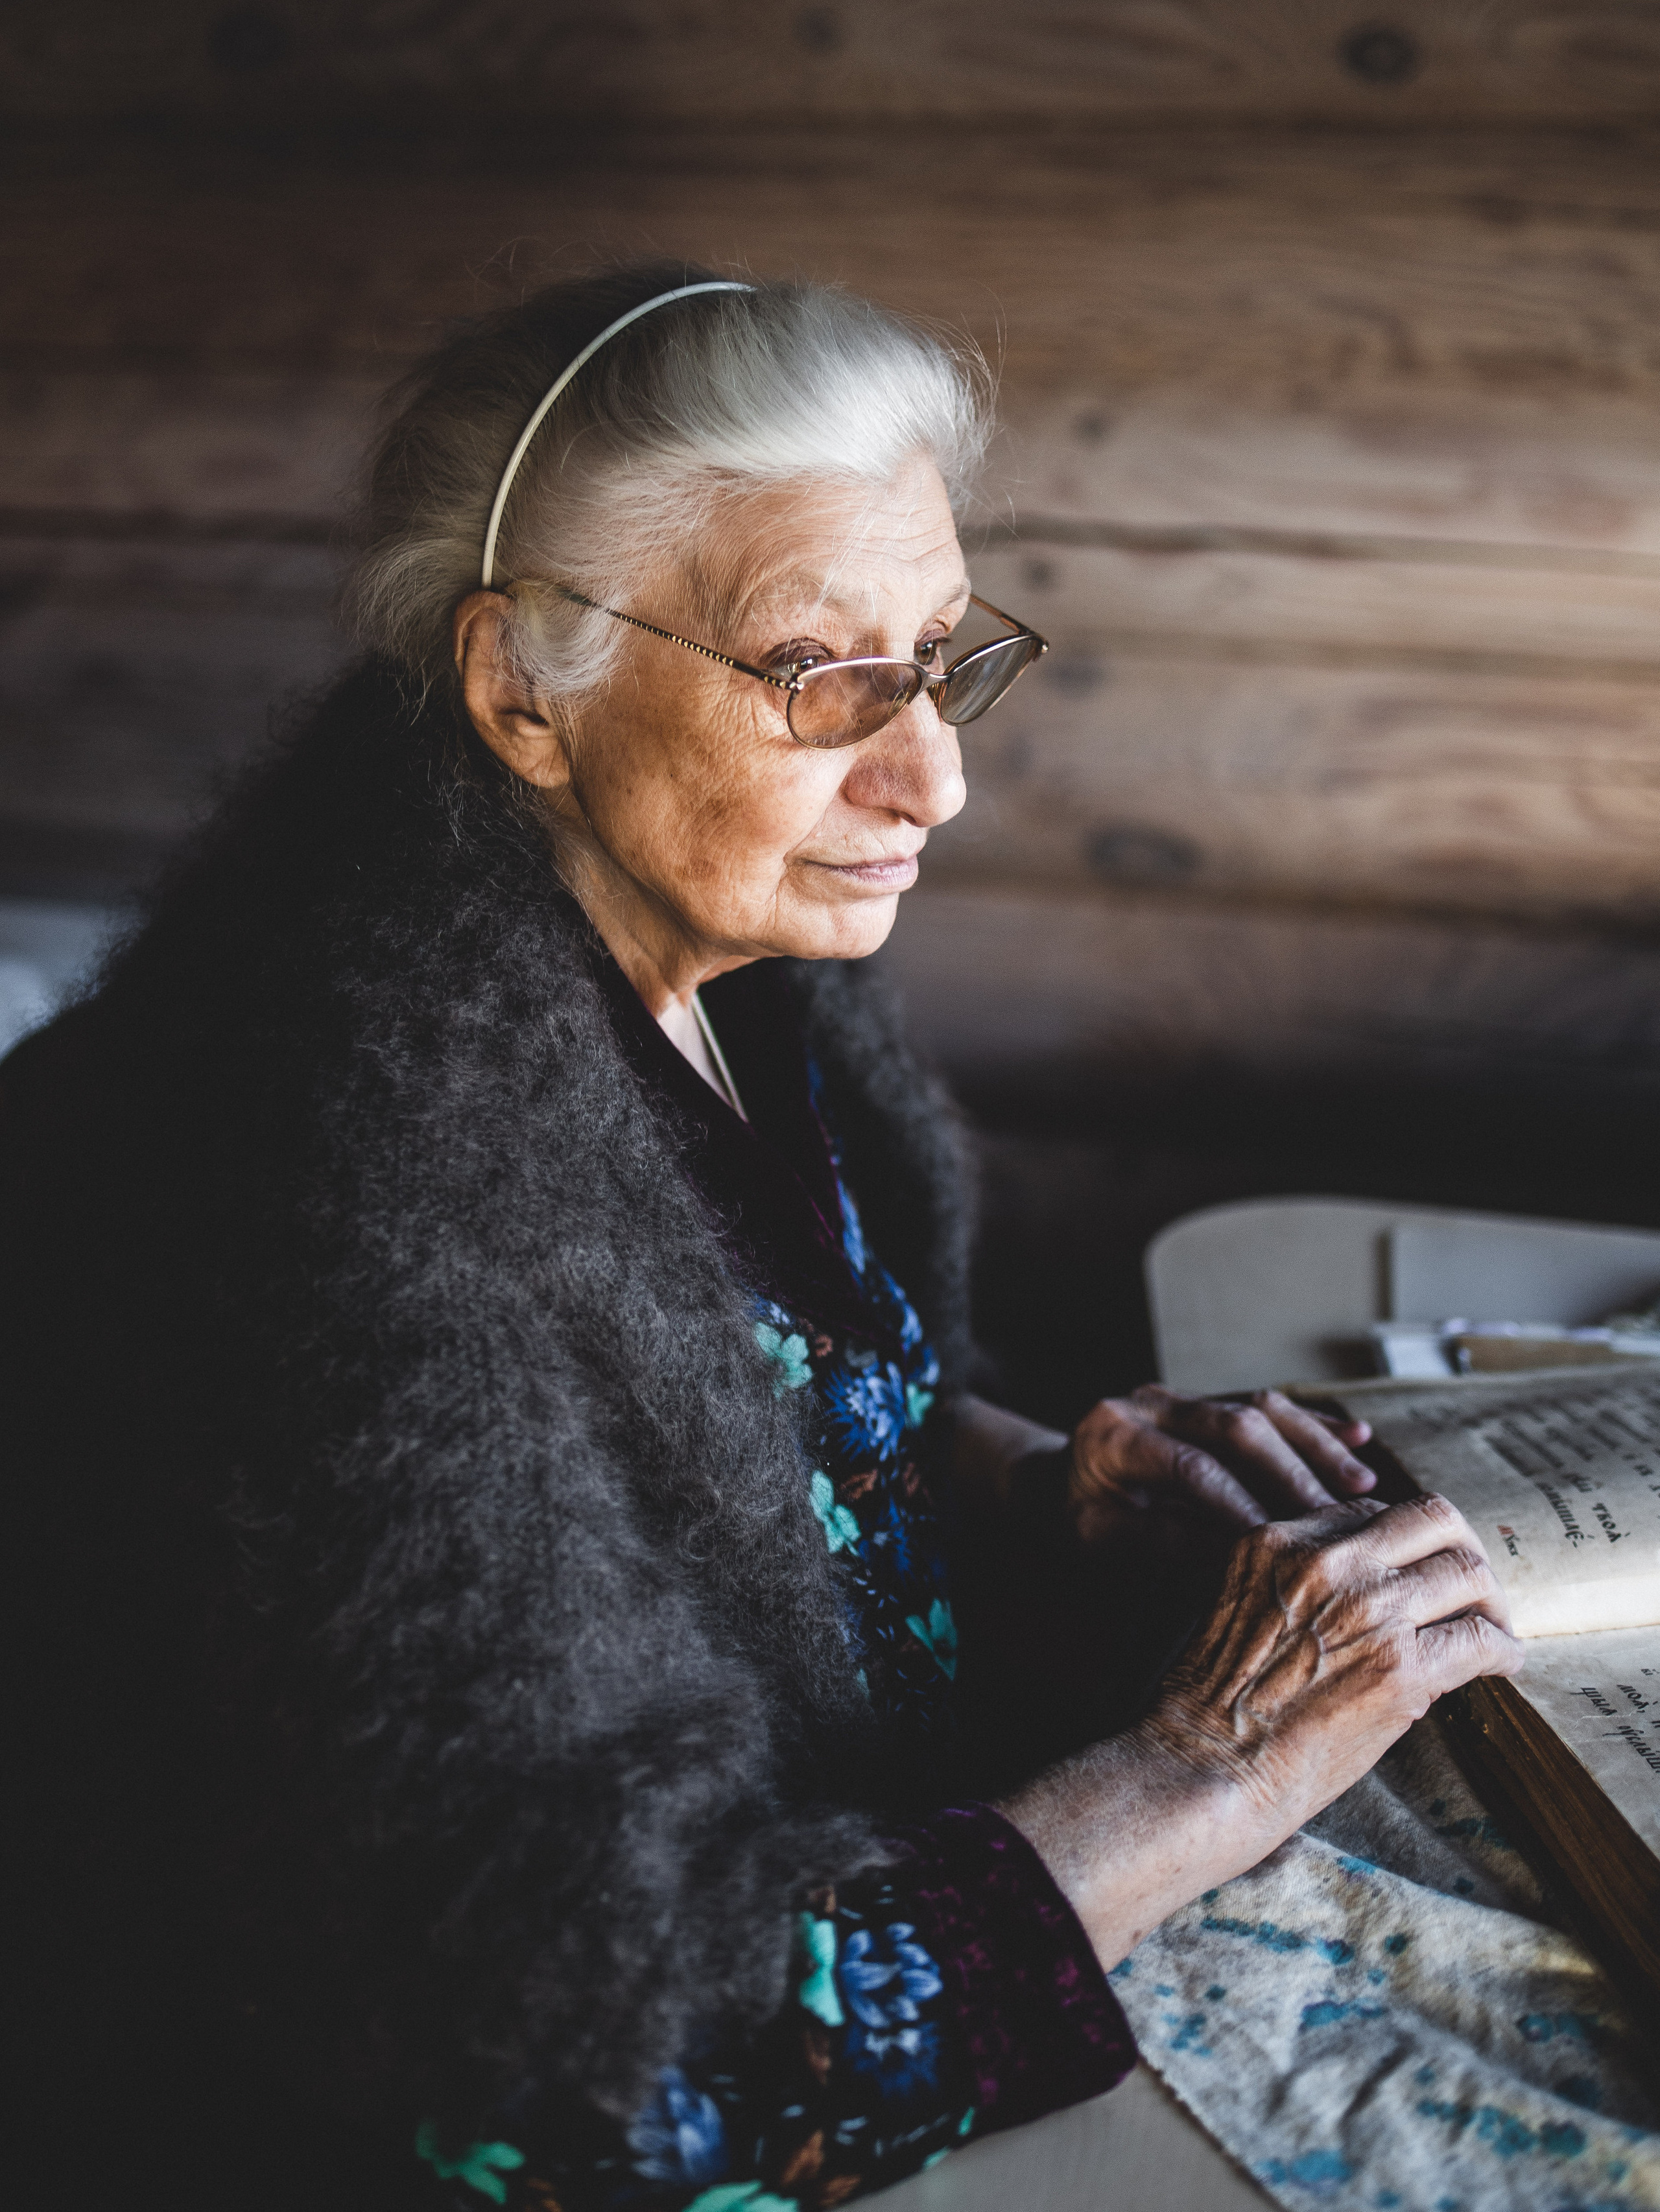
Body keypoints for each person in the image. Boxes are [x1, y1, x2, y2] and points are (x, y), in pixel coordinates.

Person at [0, 265, 1522, 2212]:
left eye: (944, 659)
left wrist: (1028, 1477)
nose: (934, 777)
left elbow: (745, 1394)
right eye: (818, 675)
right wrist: (1206, 1768)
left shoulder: (692, 938)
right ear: (516, 690)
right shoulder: (341, 1187)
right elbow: (584, 2065)